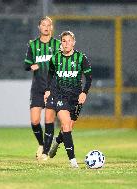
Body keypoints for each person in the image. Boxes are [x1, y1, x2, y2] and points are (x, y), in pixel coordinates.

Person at [44, 31, 92, 168]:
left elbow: (88, 78)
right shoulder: (55, 58)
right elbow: (50, 74)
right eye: (64, 41)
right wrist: (48, 90)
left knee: (69, 127)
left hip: (76, 97)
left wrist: (84, 93)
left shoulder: (81, 58)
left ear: (73, 42)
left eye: (69, 41)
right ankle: (73, 162)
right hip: (60, 96)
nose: (66, 43)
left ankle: (57, 141)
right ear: (61, 43)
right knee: (65, 125)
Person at [24, 16, 61, 160]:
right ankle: (42, 143)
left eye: (49, 25)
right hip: (38, 87)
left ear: (52, 28)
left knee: (49, 120)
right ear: (39, 27)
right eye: (43, 25)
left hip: (53, 87)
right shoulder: (33, 45)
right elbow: (26, 64)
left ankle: (45, 152)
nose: (46, 27)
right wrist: (31, 66)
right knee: (34, 120)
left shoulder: (57, 45)